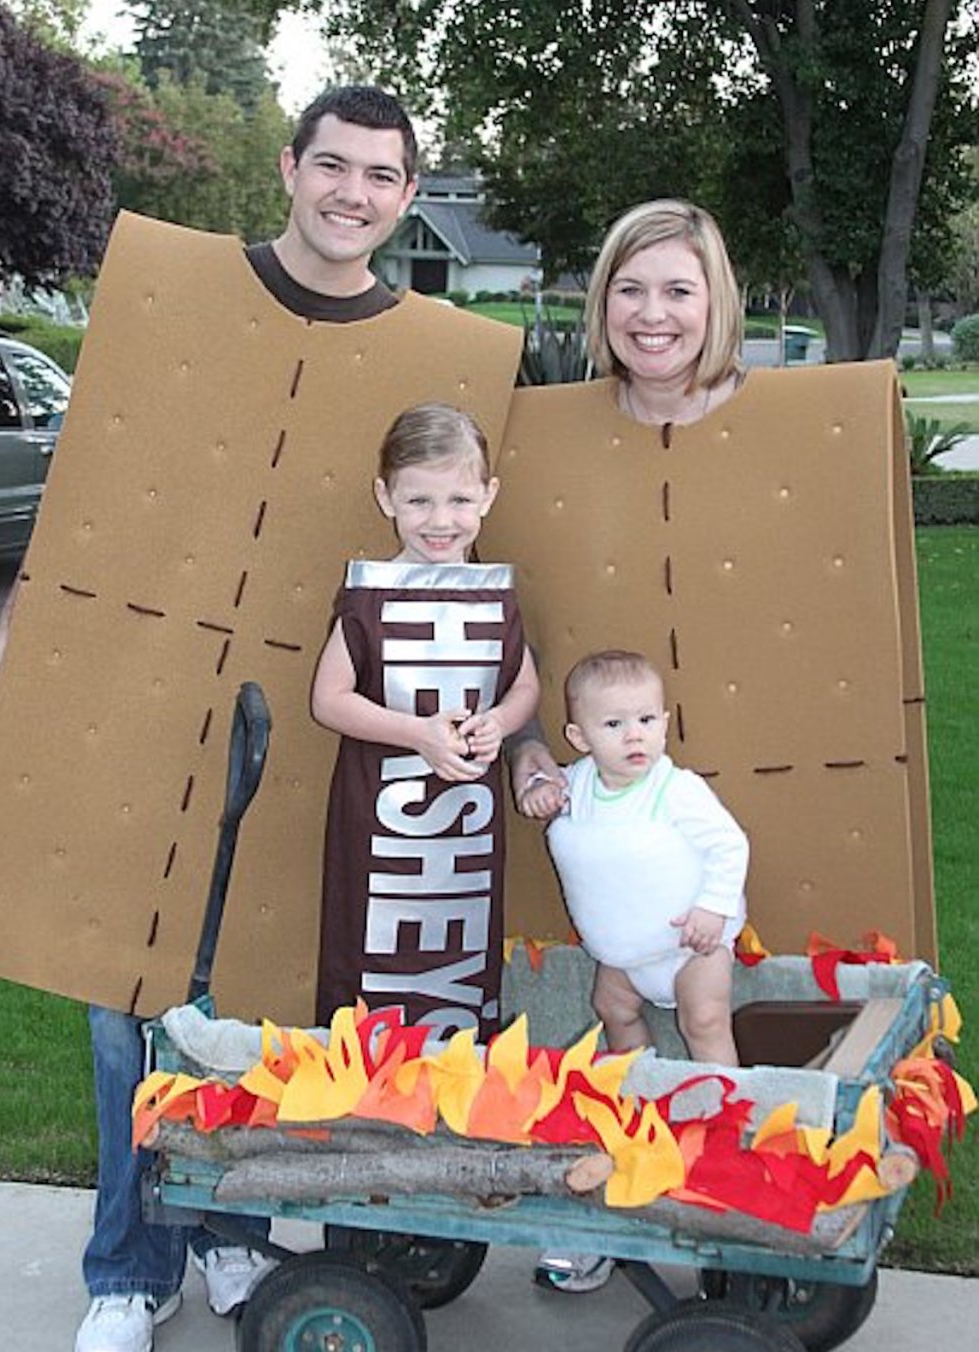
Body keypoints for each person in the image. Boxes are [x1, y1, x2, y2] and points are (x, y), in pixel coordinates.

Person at [0, 85, 423, 1352]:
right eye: (333, 166)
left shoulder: (426, 347)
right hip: (147, 673)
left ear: (408, 196)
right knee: (126, 988)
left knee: (257, 991)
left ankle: (228, 1232)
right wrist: (15, 633)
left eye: (380, 176)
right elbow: (94, 474)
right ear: (289, 166)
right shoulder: (179, 292)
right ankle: (128, 1260)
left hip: (300, 694)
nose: (352, 194)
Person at [507, 199, 746, 1295]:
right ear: (601, 301)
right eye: (630, 287)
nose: (653, 313)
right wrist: (532, 760)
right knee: (611, 1028)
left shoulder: (780, 436)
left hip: (695, 864)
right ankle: (603, 1189)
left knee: (706, 1031)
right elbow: (517, 620)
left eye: (678, 288)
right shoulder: (544, 441)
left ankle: (734, 1178)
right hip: (600, 846)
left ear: (718, 302)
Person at [311, 402, 540, 1038]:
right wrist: (415, 733)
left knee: (459, 972)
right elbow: (327, 699)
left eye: (460, 500)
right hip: (383, 825)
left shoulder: (495, 595)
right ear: (385, 498)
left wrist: (500, 720)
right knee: (371, 959)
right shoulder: (370, 594)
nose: (441, 522)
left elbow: (524, 685)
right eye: (419, 502)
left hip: (465, 831)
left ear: (489, 496)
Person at [528, 649, 747, 1059]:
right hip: (625, 953)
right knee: (611, 1008)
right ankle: (636, 1079)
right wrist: (539, 789)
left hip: (691, 945)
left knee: (704, 1019)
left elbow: (729, 844)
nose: (634, 735)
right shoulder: (577, 785)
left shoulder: (675, 789)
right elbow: (544, 783)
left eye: (646, 721)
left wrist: (713, 908)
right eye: (614, 724)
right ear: (580, 738)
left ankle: (723, 1101)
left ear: (663, 724)